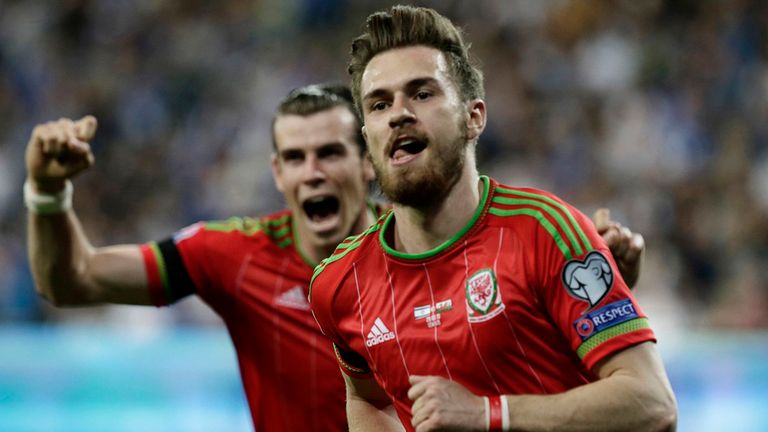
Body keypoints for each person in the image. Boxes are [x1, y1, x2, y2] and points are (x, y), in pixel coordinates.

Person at [25, 84, 643, 430]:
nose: (312, 172)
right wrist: (48, 194)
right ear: (275, 172)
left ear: (368, 160)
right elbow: (72, 281)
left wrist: (598, 286)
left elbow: (516, 356)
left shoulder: (432, 250)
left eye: (330, 153)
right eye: (295, 159)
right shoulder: (231, 254)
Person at [309, 6, 676, 432]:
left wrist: (487, 414)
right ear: (367, 139)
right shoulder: (338, 284)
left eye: (422, 94)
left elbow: (652, 403)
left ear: (473, 117)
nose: (398, 113)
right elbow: (366, 398)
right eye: (379, 104)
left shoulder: (546, 230)